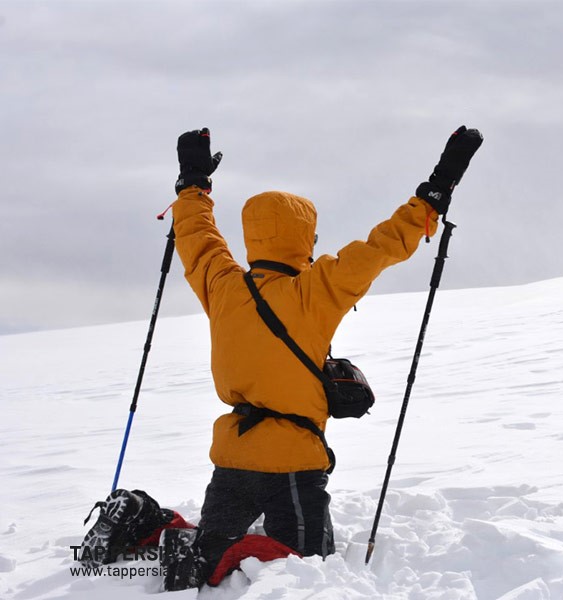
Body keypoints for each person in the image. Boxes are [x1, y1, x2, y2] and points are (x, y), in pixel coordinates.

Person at [79, 125, 483, 590]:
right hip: (293, 462)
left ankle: (155, 526)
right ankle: (215, 549)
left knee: (207, 553)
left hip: (232, 456)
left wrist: (193, 184)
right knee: (309, 565)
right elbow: (383, 246)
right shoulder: (316, 289)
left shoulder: (223, 284)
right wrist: (436, 191)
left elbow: (196, 235)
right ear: (303, 238)